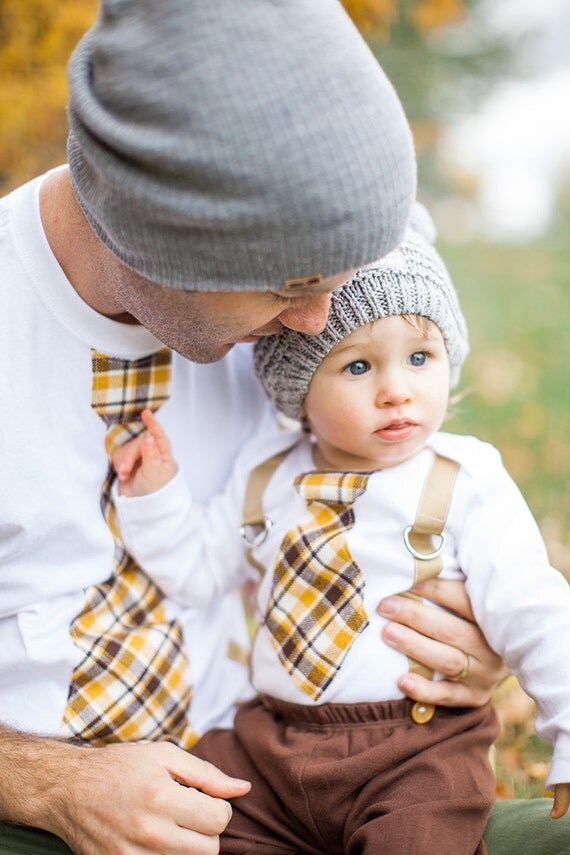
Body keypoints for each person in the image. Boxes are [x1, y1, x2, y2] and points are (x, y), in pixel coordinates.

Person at [0, 0, 564, 852]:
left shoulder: (304, 318)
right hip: (91, 820)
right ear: (158, 228)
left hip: (356, 775)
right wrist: (50, 782)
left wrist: (464, 647)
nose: (320, 322)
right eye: (290, 283)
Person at [111, 211, 570, 853]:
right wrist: (154, 496)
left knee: (419, 838)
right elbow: (198, 571)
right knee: (202, 826)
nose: (396, 391)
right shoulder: (265, 472)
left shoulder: (464, 477)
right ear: (299, 391)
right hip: (271, 743)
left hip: (416, 748)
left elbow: (534, 610)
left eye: (419, 357)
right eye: (357, 368)